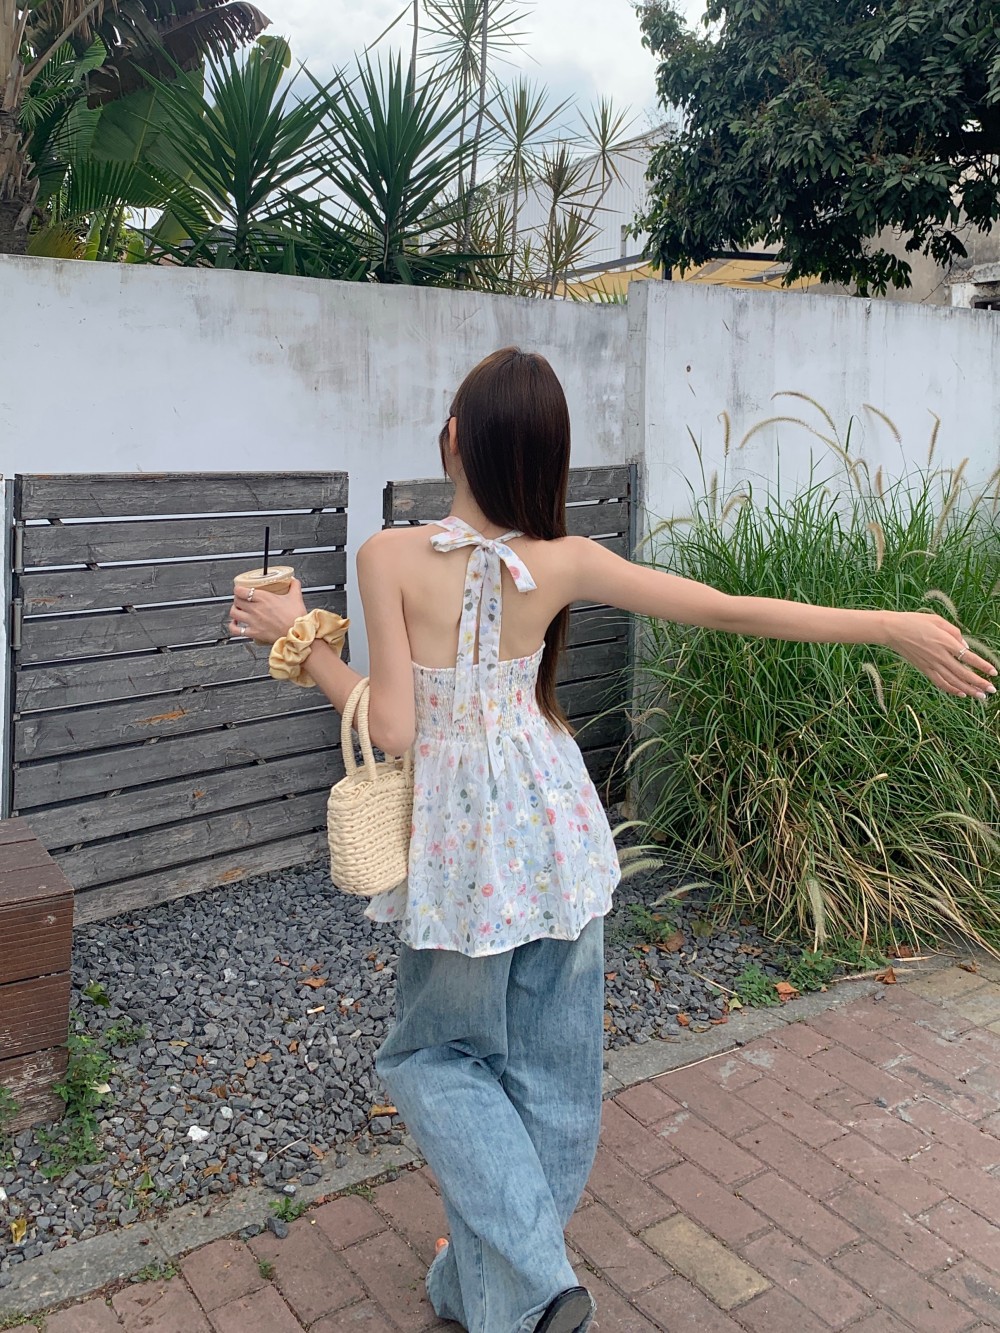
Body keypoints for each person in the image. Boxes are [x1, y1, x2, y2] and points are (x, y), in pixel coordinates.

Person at [228, 347, 997, 1333]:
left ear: (454, 437)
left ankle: (535, 1284)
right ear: (544, 454)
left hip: (465, 852)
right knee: (553, 1073)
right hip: (557, 832)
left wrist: (300, 640)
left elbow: (393, 729)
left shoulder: (389, 555)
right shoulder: (565, 559)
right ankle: (492, 1287)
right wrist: (887, 624)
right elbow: (727, 609)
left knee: (436, 1056)